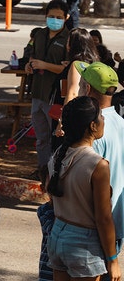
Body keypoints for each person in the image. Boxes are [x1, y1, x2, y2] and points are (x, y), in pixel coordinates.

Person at [45, 96, 120, 281]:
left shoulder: (57, 156)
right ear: (93, 126)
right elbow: (103, 218)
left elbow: (52, 197)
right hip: (83, 243)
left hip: (57, 234)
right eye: (101, 117)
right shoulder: (97, 165)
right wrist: (112, 259)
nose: (103, 121)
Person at [75, 61, 124, 281]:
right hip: (115, 223)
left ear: (87, 89)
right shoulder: (120, 123)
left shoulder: (94, 130)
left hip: (96, 226)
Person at [27, 0, 70, 180]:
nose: (54, 20)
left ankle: (54, 173)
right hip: (37, 92)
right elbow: (32, 56)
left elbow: (68, 69)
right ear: (45, 16)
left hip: (54, 96)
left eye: (58, 17)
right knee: (41, 138)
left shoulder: (69, 39)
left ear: (66, 18)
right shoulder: (39, 35)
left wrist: (45, 65)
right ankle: (42, 169)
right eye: (51, 16)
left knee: (55, 138)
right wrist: (30, 65)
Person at [51, 28, 99, 148]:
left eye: (68, 41)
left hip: (71, 114)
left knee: (62, 153)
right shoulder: (93, 63)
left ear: (72, 45)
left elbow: (72, 92)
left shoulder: (75, 65)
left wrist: (62, 121)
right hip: (86, 112)